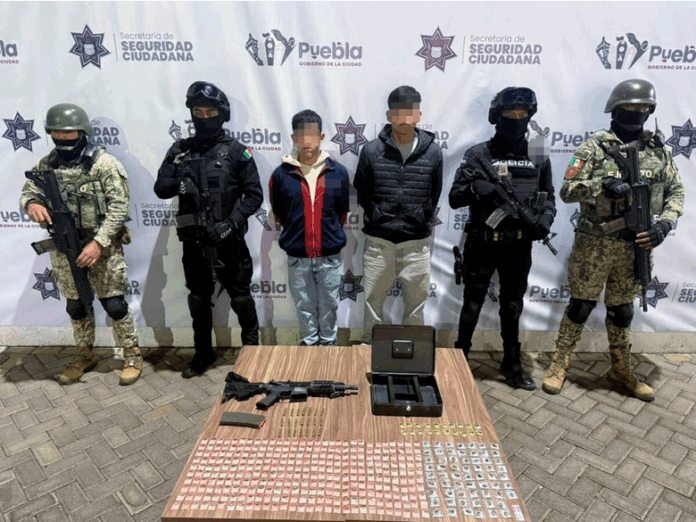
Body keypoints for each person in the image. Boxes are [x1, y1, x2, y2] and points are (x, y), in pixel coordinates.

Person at [542, 79, 684, 401]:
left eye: (644, 107)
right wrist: (602, 185)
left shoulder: (657, 150)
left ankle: (620, 368)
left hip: (636, 245)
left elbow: (676, 191)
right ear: (616, 108)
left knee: (622, 310)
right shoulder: (595, 147)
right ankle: (559, 363)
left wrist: (665, 224)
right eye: (631, 106)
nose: (638, 111)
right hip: (595, 244)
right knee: (581, 305)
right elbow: (566, 190)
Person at [20, 103, 141, 385]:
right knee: (76, 305)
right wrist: (32, 203)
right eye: (56, 133)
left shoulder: (104, 164)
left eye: (69, 132)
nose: (62, 138)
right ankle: (85, 355)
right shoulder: (47, 165)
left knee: (114, 304)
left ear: (82, 132)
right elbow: (29, 190)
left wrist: (98, 242)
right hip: (65, 247)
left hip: (103, 247)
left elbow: (119, 207)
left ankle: (132, 354)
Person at [449, 87, 555, 390]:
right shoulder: (479, 154)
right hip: (482, 242)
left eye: (523, 115)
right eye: (510, 114)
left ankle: (512, 363)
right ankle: (459, 361)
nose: (517, 120)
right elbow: (455, 197)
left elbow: (548, 198)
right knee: (472, 305)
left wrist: (545, 220)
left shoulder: (537, 155)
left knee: (512, 307)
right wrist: (475, 189)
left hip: (518, 245)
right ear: (497, 116)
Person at [155, 81, 263, 377]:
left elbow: (254, 195)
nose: (204, 117)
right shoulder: (180, 150)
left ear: (222, 113)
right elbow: (161, 187)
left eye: (211, 112)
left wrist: (229, 225)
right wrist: (181, 184)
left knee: (241, 297)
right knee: (198, 299)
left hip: (229, 240)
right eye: (198, 112)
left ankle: (253, 354)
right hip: (194, 241)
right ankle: (203, 353)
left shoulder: (237, 151)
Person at [353, 85, 443, 339]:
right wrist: (378, 214)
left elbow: (434, 194)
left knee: (415, 309)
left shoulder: (433, 152)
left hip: (416, 246)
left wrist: (421, 215)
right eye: (398, 112)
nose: (404, 119)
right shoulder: (371, 150)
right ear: (389, 115)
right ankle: (370, 349)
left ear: (419, 116)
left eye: (410, 112)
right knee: (372, 306)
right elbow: (362, 191)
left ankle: (412, 353)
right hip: (378, 244)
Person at [269, 110, 350, 346]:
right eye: (301, 135)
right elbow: (280, 212)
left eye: (312, 135)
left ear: (321, 137)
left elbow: (342, 213)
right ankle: (309, 344)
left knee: (329, 306)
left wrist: (327, 235)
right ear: (294, 138)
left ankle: (328, 345)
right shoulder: (281, 174)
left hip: (329, 256)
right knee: (304, 308)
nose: (307, 141)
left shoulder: (338, 173)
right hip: (298, 257)